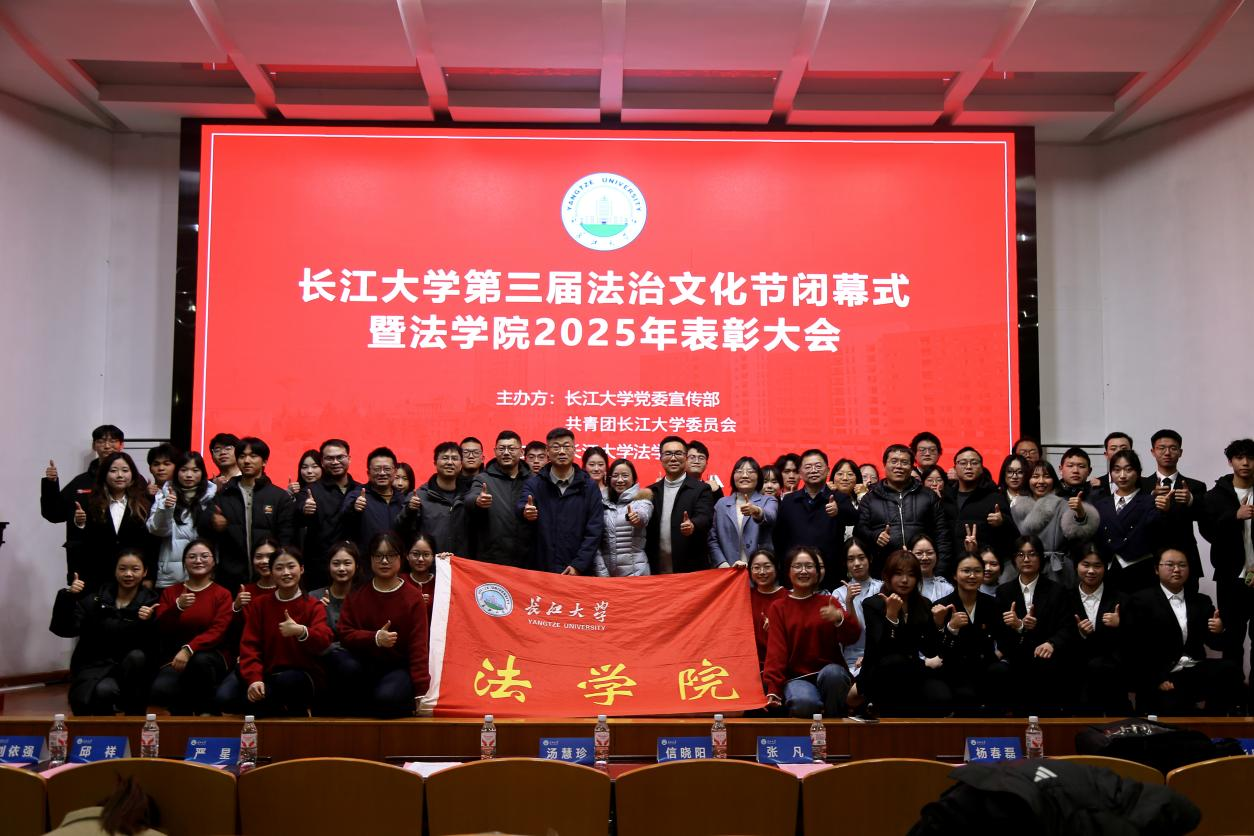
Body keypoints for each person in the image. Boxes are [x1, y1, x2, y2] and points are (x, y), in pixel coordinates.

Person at [1123, 548, 1243, 715]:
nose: (1177, 569)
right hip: (1160, 673)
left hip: (1191, 671)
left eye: (1182, 565)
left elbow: (1216, 644)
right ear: (1157, 569)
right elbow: (1135, 647)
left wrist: (1219, 629)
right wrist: (1157, 678)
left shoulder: (1201, 601)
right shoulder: (1140, 600)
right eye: (1170, 565)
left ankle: (1214, 722)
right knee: (1173, 708)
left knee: (1229, 669)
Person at [219, 545, 333, 716]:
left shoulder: (313, 605)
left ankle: (285, 710)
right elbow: (250, 646)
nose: (286, 572)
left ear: (301, 569)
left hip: (302, 675)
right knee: (226, 697)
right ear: (271, 573)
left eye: (291, 566)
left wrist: (301, 631)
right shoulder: (260, 605)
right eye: (279, 568)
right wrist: (255, 680)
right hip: (266, 673)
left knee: (282, 685)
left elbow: (324, 640)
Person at [49, 548, 159, 715]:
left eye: (135, 569)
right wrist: (69, 597)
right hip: (95, 667)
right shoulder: (96, 600)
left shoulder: (152, 603)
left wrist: (147, 622)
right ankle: (104, 730)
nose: (128, 574)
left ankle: (134, 720)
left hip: (132, 673)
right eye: (122, 569)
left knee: (137, 657)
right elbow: (66, 629)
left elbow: (155, 647)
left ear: (145, 572)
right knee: (102, 691)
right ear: (115, 571)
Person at [337, 532, 430, 717]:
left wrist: (421, 692)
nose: (384, 561)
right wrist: (375, 638)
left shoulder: (413, 597)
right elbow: (344, 633)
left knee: (386, 699)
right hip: (363, 665)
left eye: (391, 555)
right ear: (371, 559)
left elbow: (419, 648)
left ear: (401, 558)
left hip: (398, 668)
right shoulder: (357, 594)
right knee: (340, 664)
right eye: (378, 556)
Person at [762, 546, 859, 717]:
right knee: (804, 704)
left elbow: (852, 637)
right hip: (796, 678)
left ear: (817, 572)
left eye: (809, 566)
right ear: (788, 572)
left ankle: (836, 727)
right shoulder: (779, 607)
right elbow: (776, 652)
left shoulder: (829, 601)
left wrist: (839, 618)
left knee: (834, 675)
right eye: (797, 566)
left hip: (830, 673)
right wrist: (773, 688)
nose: (803, 571)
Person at [198, 436, 294, 593]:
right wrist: (212, 522)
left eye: (253, 456)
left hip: (269, 577)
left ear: (264, 461)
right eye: (242, 456)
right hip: (231, 578)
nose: (247, 461)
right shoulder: (224, 495)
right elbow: (203, 529)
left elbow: (286, 538)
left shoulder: (279, 497)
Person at [860, 550, 949, 716]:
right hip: (881, 672)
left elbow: (930, 650)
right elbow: (881, 647)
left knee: (941, 695)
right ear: (887, 576)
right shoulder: (873, 604)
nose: (905, 580)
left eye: (911, 575)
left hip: (913, 670)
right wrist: (891, 616)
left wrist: (938, 625)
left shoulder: (924, 604)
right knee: (895, 663)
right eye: (899, 574)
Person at [150, 540, 234, 714]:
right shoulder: (170, 592)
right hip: (175, 657)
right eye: (192, 557)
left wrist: (189, 649)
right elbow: (161, 627)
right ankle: (184, 719)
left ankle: (207, 714)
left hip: (211, 655)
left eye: (204, 556)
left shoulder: (223, 594)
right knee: (161, 689)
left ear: (214, 561)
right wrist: (177, 608)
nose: (198, 560)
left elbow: (218, 630)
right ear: (184, 562)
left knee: (199, 662)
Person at [995, 535, 1073, 714]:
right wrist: (1019, 627)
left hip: (1047, 658)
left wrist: (1051, 643)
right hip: (1016, 658)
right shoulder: (1004, 592)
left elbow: (1067, 627)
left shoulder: (1057, 590)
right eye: (1021, 554)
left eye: (1032, 554)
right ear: (1014, 559)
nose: (1026, 559)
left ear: (1041, 557)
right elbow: (999, 633)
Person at [42, 424, 126, 584]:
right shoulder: (81, 482)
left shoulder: (134, 481)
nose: (107, 446)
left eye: (113, 441)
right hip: (86, 562)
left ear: (122, 445)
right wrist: (51, 484)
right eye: (101, 441)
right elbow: (54, 514)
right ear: (94, 446)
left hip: (124, 563)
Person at [516, 428, 605, 575]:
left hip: (577, 572)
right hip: (542, 570)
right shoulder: (534, 484)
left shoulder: (589, 487)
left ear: (574, 449)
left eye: (567, 446)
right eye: (556, 447)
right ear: (548, 451)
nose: (562, 451)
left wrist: (578, 565)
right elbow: (523, 504)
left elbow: (595, 530)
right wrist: (525, 511)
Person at [1202, 438, 1254, 687]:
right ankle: (1233, 695)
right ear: (1230, 461)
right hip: (1230, 578)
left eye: (1250, 458)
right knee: (1232, 639)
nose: (1245, 463)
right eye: (1239, 458)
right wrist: (1234, 516)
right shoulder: (1215, 496)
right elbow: (1209, 532)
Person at [933, 552, 1012, 715]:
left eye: (977, 571)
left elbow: (1006, 638)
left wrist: (998, 653)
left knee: (1001, 673)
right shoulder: (942, 607)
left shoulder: (993, 604)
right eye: (966, 571)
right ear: (954, 575)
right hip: (954, 671)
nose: (972, 576)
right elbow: (936, 649)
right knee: (965, 695)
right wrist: (951, 628)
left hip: (985, 668)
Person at [855, 444, 951, 576]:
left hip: (923, 572)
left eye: (904, 462)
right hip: (883, 573)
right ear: (885, 464)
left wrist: (940, 571)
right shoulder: (870, 498)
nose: (899, 466)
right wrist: (875, 536)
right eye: (894, 461)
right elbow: (859, 531)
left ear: (911, 466)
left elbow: (942, 535)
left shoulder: (928, 496)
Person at [773, 449, 857, 590]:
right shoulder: (788, 501)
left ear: (827, 470)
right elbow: (778, 538)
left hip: (830, 576)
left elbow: (854, 519)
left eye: (818, 466)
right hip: (795, 575)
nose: (813, 470)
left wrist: (838, 511)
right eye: (808, 467)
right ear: (800, 473)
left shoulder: (839, 498)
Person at [74, 451, 155, 593]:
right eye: (113, 471)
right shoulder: (91, 502)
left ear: (133, 474)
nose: (119, 475)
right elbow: (84, 544)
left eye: (125, 470)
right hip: (98, 576)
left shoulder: (144, 503)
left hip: (133, 577)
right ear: (104, 474)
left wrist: (150, 576)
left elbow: (151, 544)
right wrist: (80, 523)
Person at [1013, 460, 1097, 588]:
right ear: (1028, 480)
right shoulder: (1016, 507)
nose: (1041, 481)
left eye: (1046, 476)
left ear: (1054, 480)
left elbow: (1078, 535)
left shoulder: (1063, 505)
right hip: (1026, 566)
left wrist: (1080, 514)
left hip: (1056, 570)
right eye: (1035, 476)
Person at [1068, 543, 1130, 714]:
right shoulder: (1065, 597)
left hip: (1112, 672)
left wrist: (1120, 624)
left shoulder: (1121, 598)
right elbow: (1059, 632)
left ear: (1105, 567)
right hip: (1075, 671)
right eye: (1086, 565)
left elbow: (1134, 638)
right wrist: (1079, 633)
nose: (1091, 571)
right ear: (1076, 566)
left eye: (1097, 566)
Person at [1092, 449, 1163, 594]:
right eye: (1116, 470)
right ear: (1111, 473)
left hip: (1141, 570)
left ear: (1138, 472)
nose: (1122, 475)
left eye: (1128, 470)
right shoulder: (1101, 504)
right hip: (1109, 570)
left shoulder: (1150, 501)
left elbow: (1156, 534)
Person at [1145, 429, 1208, 592]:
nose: (1167, 452)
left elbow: (1206, 517)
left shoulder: (1196, 486)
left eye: (1173, 448)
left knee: (1188, 604)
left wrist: (1191, 500)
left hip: (1185, 556)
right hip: (1148, 558)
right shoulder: (1142, 485)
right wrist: (1151, 498)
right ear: (1153, 452)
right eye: (1161, 448)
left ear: (1180, 452)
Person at [295, 438, 361, 591]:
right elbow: (297, 518)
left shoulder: (361, 490)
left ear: (349, 459)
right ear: (322, 462)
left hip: (357, 568)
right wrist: (304, 510)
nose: (335, 462)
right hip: (320, 569)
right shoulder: (310, 491)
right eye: (329, 458)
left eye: (340, 457)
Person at [306, 541, 364, 716]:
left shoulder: (363, 596)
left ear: (356, 566)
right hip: (324, 657)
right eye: (336, 563)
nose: (341, 568)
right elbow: (309, 636)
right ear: (328, 566)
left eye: (347, 563)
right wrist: (318, 611)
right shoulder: (314, 597)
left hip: (357, 655)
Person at [147, 450, 217, 589]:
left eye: (195, 470)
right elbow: (157, 530)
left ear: (202, 473)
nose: (189, 475)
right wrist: (166, 508)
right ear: (176, 472)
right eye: (184, 470)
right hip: (172, 575)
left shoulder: (212, 498)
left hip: (205, 574)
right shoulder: (164, 496)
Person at [645, 436, 715, 574]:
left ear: (686, 458)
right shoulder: (651, 491)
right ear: (661, 458)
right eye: (668, 454)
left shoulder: (701, 489)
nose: (673, 458)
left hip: (690, 570)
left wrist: (693, 524)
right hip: (656, 569)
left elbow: (705, 516)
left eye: (678, 453)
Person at [466, 430, 533, 569]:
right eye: (502, 449)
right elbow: (469, 498)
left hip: (527, 560)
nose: (506, 453)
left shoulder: (533, 480)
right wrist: (477, 501)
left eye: (511, 448)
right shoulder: (483, 479)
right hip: (492, 560)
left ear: (521, 452)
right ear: (495, 451)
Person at [945, 447, 1019, 569]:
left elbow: (1014, 537)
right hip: (951, 567)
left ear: (981, 468)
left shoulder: (994, 497)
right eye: (963, 463)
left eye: (974, 463)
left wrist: (1002, 522)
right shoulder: (946, 497)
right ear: (955, 468)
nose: (969, 467)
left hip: (984, 568)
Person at [338, 446, 413, 553]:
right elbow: (344, 520)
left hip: (396, 559)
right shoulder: (357, 495)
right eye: (377, 469)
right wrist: (354, 509)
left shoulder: (401, 498)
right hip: (367, 559)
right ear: (368, 473)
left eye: (387, 469)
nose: (382, 473)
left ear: (395, 472)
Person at [708, 456, 777, 569]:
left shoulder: (768, 500)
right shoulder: (721, 504)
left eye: (750, 471)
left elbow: (771, 516)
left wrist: (757, 511)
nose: (744, 475)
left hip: (759, 571)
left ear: (759, 477)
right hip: (727, 570)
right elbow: (712, 539)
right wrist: (724, 565)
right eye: (739, 471)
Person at [832, 538, 882, 680]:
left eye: (861, 558)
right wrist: (849, 602)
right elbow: (850, 635)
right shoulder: (838, 593)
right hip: (850, 659)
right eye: (851, 559)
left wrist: (869, 656)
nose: (857, 563)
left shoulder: (882, 588)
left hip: (879, 655)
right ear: (845, 563)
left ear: (870, 559)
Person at [595, 459, 654, 577]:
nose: (620, 480)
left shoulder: (642, 501)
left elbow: (643, 515)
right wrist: (602, 574)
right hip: (606, 575)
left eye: (625, 475)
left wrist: (637, 517)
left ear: (633, 479)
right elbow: (594, 541)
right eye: (615, 476)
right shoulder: (599, 502)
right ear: (609, 478)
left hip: (637, 573)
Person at [411, 442, 470, 556]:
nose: (450, 462)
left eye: (454, 458)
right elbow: (404, 530)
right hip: (430, 563)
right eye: (445, 458)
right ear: (435, 462)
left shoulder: (468, 496)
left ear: (461, 464)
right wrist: (409, 510)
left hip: (461, 564)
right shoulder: (419, 496)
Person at [747, 549, 786, 667]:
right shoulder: (744, 596)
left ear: (776, 568)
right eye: (756, 567)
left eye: (767, 566)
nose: (762, 572)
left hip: (780, 664)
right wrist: (734, 572)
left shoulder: (788, 597)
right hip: (750, 664)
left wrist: (778, 626)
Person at [829, 458, 866, 542]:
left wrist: (863, 496)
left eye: (850, 474)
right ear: (833, 478)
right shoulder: (826, 498)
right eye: (840, 474)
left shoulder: (865, 498)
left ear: (857, 478)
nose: (845, 478)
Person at [909, 532, 954, 602]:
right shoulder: (904, 585)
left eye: (929, 553)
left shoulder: (947, 589)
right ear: (909, 554)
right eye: (919, 553)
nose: (925, 558)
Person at [405, 533, 438, 617]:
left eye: (426, 554)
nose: (420, 559)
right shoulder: (399, 581)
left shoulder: (440, 584)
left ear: (433, 557)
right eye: (415, 554)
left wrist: (449, 562)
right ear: (407, 555)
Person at [1091, 431, 1134, 496]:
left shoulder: (1147, 484)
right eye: (1113, 449)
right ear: (1106, 455)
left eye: (1124, 448)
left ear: (1132, 453)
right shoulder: (1092, 486)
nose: (1119, 452)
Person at [997, 454, 1032, 522]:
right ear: (1004, 473)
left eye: (1020, 472)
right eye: (1010, 471)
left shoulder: (1032, 496)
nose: (1014, 476)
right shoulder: (996, 496)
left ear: (1026, 474)